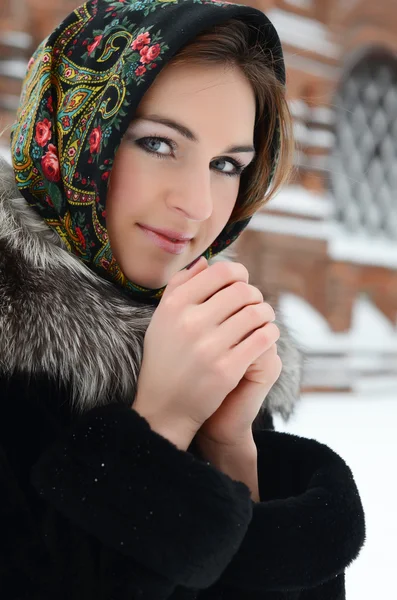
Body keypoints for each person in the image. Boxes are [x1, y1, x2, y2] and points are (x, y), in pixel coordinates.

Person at [0, 0, 365, 598]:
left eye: (226, 164)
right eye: (159, 144)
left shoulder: (211, 338)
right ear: (72, 128)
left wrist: (231, 448)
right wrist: (161, 426)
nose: (198, 205)